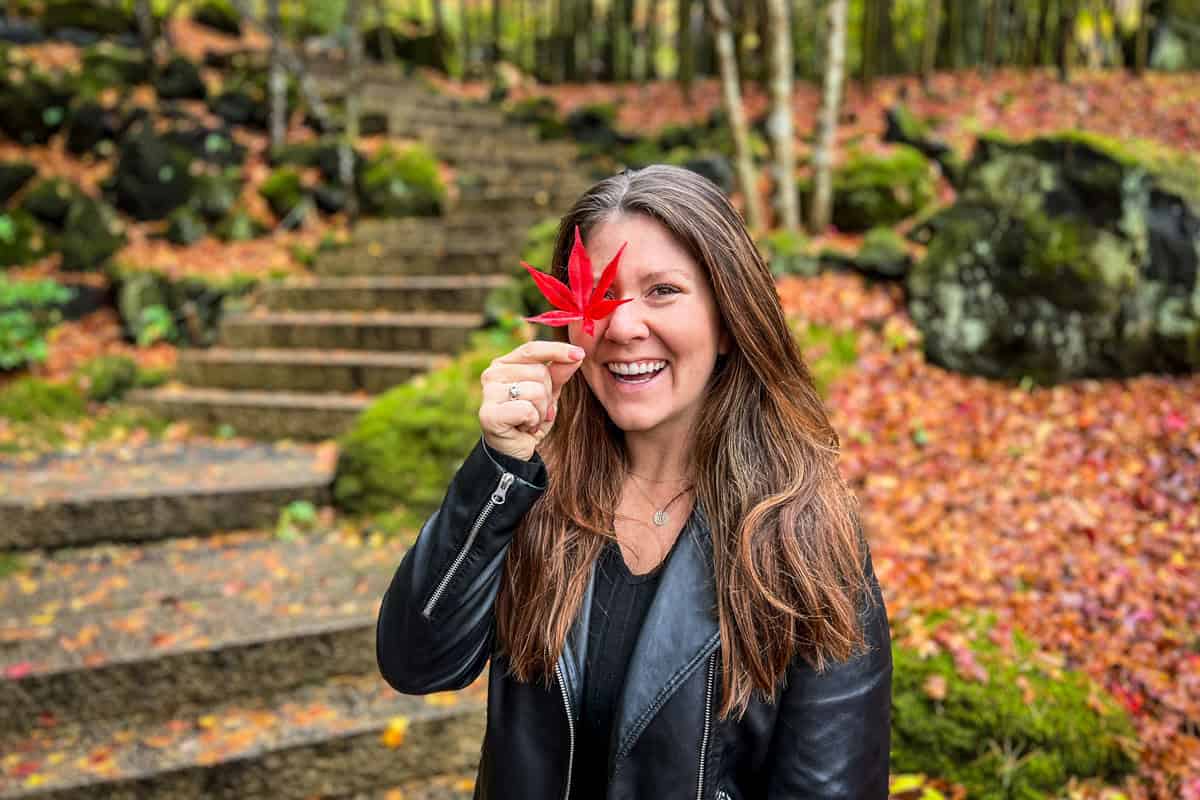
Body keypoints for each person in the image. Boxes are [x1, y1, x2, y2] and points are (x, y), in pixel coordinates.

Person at [376, 164, 892, 799]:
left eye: (664, 291)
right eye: (603, 295)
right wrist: (499, 469)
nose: (622, 328)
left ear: (728, 319)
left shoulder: (804, 536)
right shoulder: (533, 498)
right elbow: (415, 661)